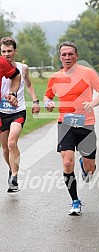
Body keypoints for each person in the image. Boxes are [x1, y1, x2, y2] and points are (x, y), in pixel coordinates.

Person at [43, 41, 99, 215]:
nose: (67, 57)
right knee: (66, 162)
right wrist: (48, 103)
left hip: (86, 124)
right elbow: (47, 96)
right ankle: (75, 201)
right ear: (60, 57)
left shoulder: (87, 73)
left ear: (76, 56)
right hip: (65, 124)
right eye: (64, 54)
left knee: (89, 169)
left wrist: (93, 103)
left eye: (70, 54)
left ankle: (84, 164)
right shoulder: (55, 77)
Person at [0, 37, 40, 192]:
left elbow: (29, 85)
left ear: (15, 51)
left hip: (18, 110)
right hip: (2, 112)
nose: (6, 54)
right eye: (3, 51)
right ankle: (12, 170)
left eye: (9, 51)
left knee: (11, 143)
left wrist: (35, 101)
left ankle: (15, 178)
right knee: (4, 148)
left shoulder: (22, 68)